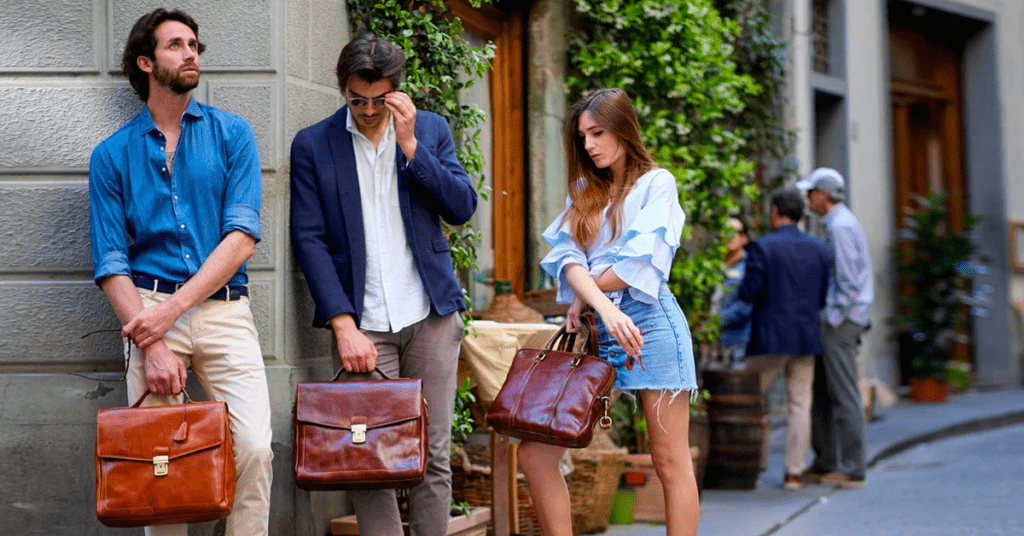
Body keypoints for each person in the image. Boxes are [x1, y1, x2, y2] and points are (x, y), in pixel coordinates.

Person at [88, 8, 272, 536]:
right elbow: (110, 262)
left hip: (223, 311)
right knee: (161, 464)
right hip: (145, 313)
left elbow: (240, 240)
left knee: (256, 448)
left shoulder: (232, 134)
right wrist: (154, 342)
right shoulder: (112, 155)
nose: (191, 52)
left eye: (194, 44)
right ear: (146, 62)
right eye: (176, 45)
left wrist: (167, 314)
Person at [289, 33, 477, 536]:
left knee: (431, 456)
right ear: (342, 89)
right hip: (362, 325)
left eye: (379, 100)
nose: (368, 111)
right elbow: (308, 239)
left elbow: (461, 206)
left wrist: (413, 146)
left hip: (429, 316)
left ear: (397, 90)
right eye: (357, 100)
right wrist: (343, 325)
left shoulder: (430, 130)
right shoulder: (314, 144)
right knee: (368, 458)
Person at [526, 88, 699, 536]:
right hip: (601, 334)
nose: (589, 145)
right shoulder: (585, 189)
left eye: (598, 133)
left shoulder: (656, 184)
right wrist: (598, 303)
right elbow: (566, 261)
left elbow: (637, 267)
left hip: (652, 327)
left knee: (669, 460)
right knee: (536, 451)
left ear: (623, 129)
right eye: (583, 136)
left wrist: (585, 288)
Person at [737, 189, 831, 490]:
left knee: (754, 402)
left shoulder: (762, 247)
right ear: (801, 214)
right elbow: (822, 297)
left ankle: (751, 466)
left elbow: (749, 292)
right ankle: (794, 472)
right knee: (800, 403)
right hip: (805, 335)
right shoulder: (819, 249)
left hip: (768, 337)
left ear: (775, 212)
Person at [797, 167, 874, 489]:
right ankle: (827, 461)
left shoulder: (840, 226)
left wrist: (833, 316)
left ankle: (853, 467)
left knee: (842, 393)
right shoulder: (840, 222)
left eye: (810, 193)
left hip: (841, 321)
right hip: (844, 318)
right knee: (827, 391)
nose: (807, 199)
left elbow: (850, 280)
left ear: (822, 195)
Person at [716, 217, 754, 370]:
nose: (730, 236)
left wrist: (714, 322)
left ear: (744, 238)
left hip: (738, 341)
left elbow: (745, 305)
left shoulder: (750, 266)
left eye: (735, 232)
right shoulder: (713, 267)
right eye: (726, 232)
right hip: (713, 344)